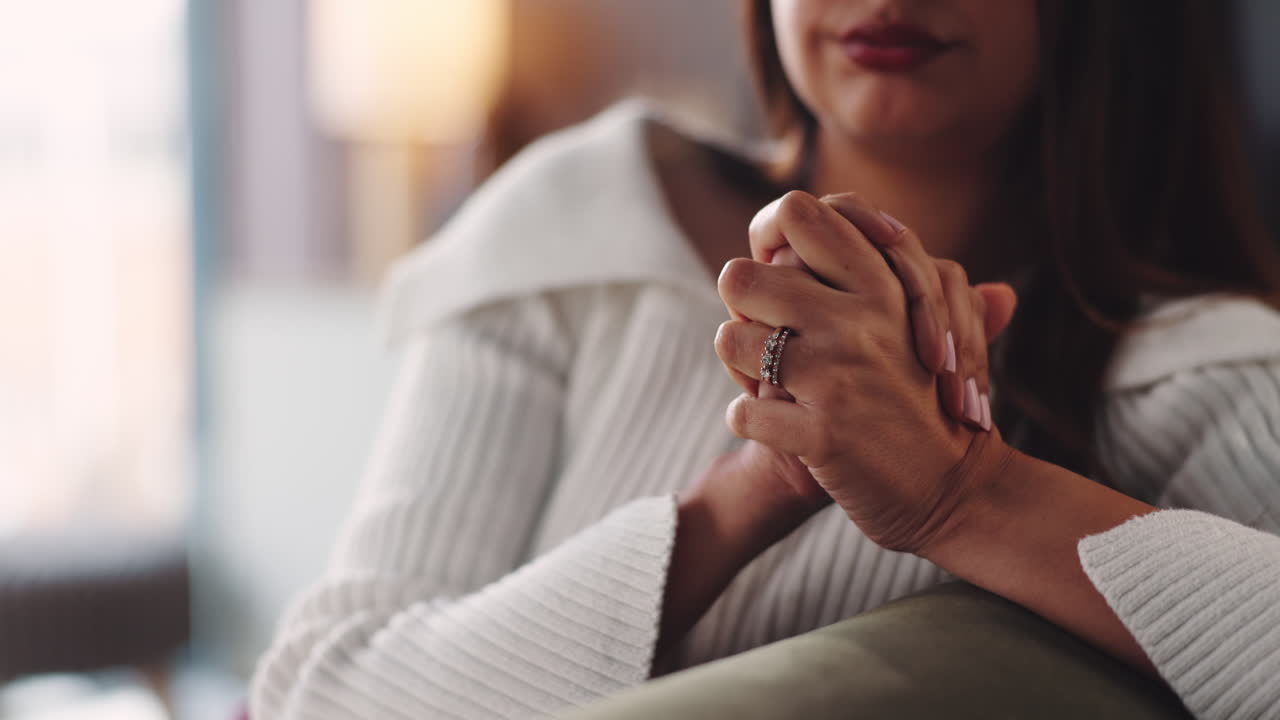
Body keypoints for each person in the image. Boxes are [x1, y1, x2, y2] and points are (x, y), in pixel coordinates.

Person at [251, 1, 1280, 719]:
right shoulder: (576, 224)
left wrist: (959, 492)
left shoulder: (1186, 367)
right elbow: (319, 697)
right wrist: (755, 486)